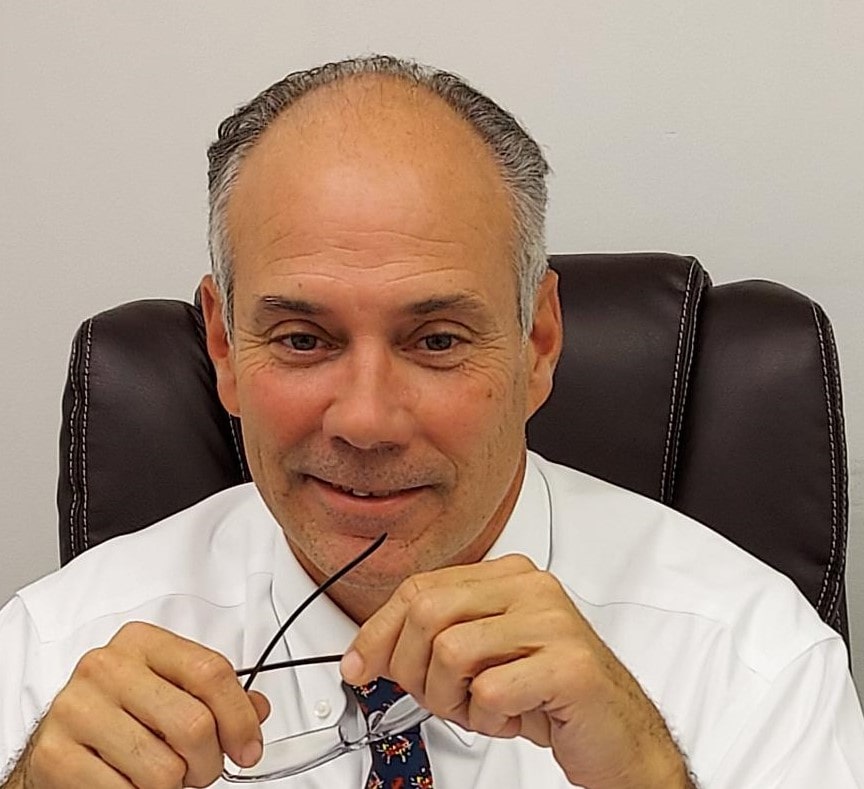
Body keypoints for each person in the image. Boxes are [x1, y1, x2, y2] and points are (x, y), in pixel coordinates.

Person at [1, 55, 863, 789]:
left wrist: (648, 777)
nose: (368, 420)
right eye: (302, 338)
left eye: (438, 339)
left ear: (537, 342)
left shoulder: (752, 660)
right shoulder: (51, 651)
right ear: (224, 347)